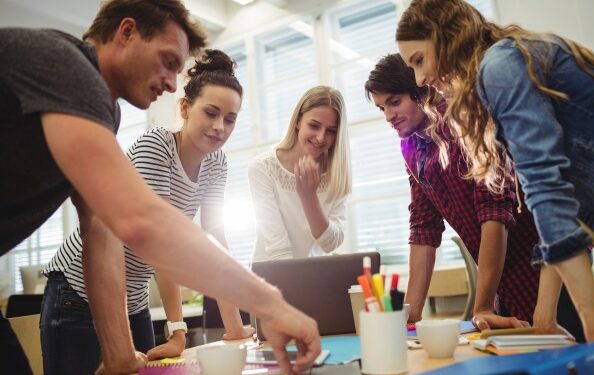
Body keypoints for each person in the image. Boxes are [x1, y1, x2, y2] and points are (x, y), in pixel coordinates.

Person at [0, 1, 319, 374]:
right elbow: (143, 223)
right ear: (127, 32)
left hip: (128, 299)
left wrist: (119, 352)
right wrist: (272, 305)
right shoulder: (69, 67)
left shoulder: (104, 110)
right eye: (167, 61)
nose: (170, 82)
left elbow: (100, 227)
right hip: (73, 296)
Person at [396, 0, 594, 341]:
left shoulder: (500, 68)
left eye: (419, 60)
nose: (421, 78)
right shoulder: (506, 64)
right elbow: (559, 201)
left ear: (446, 36)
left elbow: (548, 193)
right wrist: (544, 317)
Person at [40, 49, 255, 374]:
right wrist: (178, 328)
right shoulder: (157, 147)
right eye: (210, 113)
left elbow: (216, 240)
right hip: (78, 292)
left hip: (133, 300)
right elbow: (158, 242)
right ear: (185, 107)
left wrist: (235, 327)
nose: (219, 127)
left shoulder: (217, 163)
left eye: (230, 118)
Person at [364, 54, 583, 339]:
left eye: (395, 102)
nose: (389, 116)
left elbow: (494, 213)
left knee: (577, 361)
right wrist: (410, 315)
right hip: (504, 284)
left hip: (549, 271)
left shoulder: (464, 123)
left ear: (421, 91)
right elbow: (423, 228)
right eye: (382, 108)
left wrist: (481, 305)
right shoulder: (411, 149)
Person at [249, 86, 352, 261]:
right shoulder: (263, 168)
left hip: (310, 278)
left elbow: (331, 243)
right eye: (314, 125)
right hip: (270, 278)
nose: (320, 137)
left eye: (331, 131)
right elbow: (278, 248)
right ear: (297, 121)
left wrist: (309, 197)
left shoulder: (337, 175)